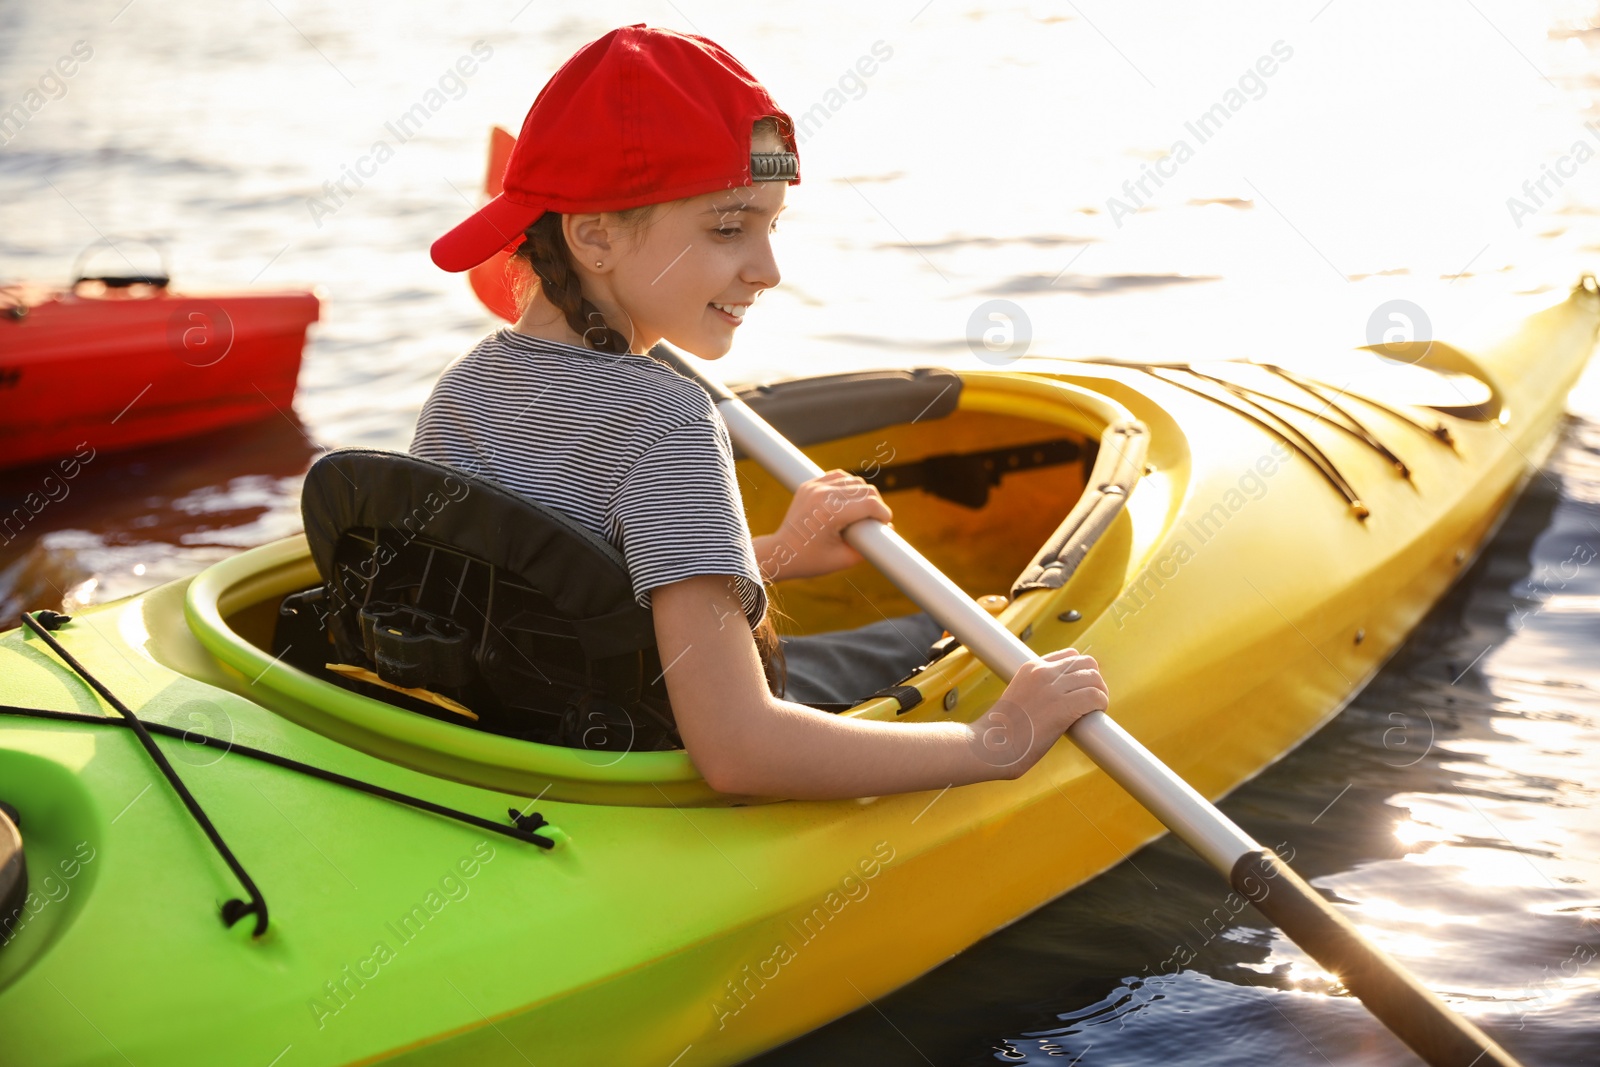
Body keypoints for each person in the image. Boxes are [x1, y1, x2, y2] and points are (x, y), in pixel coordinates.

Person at [412, 24, 1109, 800]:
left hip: (527, 735)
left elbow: (563, 587)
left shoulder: (462, 391)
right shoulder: (667, 419)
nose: (768, 269)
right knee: (957, 637)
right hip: (649, 756)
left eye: (770, 226)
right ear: (593, 234)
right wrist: (992, 741)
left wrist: (771, 551)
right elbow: (739, 748)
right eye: (726, 228)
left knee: (908, 635)